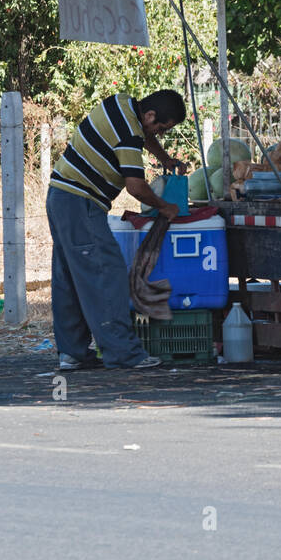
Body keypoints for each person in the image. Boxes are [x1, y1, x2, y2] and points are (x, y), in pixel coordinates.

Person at [46, 88, 189, 370]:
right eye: (162, 127)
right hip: (82, 203)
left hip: (60, 197)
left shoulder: (120, 103)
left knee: (70, 279)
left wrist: (163, 158)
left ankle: (72, 352)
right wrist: (164, 207)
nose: (159, 133)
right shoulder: (130, 134)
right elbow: (135, 186)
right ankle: (124, 353)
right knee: (106, 274)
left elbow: (144, 134)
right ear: (149, 115)